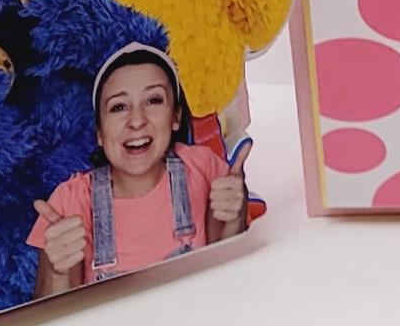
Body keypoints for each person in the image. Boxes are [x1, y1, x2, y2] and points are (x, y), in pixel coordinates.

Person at [31, 46, 247, 296]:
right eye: (118, 107)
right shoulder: (70, 201)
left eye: (153, 101)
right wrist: (56, 273)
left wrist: (235, 218)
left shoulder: (204, 168)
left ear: (176, 117)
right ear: (99, 132)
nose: (136, 121)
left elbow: (228, 285)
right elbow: (51, 314)